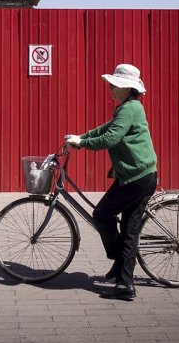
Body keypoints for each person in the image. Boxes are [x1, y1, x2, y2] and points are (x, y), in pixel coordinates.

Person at [65, 63, 157, 301]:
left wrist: (83, 143)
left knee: (104, 216)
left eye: (114, 85)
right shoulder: (128, 107)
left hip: (137, 178)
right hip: (136, 176)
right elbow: (107, 128)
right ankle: (122, 270)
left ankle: (125, 283)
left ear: (127, 88)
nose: (110, 89)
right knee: (127, 229)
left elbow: (111, 137)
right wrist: (82, 136)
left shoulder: (129, 109)